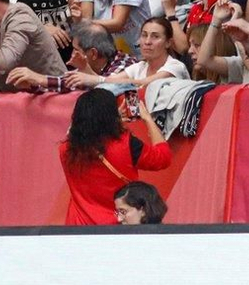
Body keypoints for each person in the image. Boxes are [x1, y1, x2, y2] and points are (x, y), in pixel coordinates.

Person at [60, 87, 172, 226]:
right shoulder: (126, 144)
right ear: (111, 115)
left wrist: (111, 119)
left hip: (77, 226)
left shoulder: (65, 149)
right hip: (118, 225)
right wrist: (148, 119)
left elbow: (83, 131)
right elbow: (163, 158)